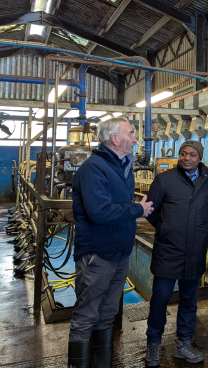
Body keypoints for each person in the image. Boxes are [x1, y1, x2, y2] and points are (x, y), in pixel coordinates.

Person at [69, 117, 153, 368]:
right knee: (86, 315)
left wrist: (133, 209)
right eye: (130, 133)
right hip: (98, 253)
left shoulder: (122, 166)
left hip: (120, 252)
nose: (135, 138)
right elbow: (100, 212)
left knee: (107, 314)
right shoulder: (93, 168)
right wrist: (138, 209)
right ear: (114, 139)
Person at [144, 140, 208, 366]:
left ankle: (184, 344)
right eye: (183, 154)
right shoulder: (164, 180)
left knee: (189, 300)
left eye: (193, 155)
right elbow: (150, 210)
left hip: (195, 250)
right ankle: (153, 346)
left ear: (200, 158)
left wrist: (196, 231)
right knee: (160, 299)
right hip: (169, 249)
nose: (187, 158)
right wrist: (167, 227)